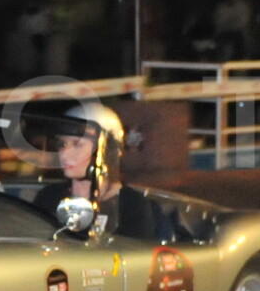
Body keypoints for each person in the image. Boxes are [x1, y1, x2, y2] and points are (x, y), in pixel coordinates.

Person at [31, 100, 167, 241]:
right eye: (62, 144)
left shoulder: (131, 204)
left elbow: (133, 251)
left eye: (77, 145)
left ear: (108, 150)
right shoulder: (49, 197)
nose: (64, 154)